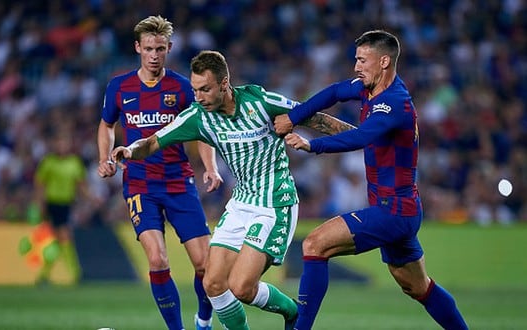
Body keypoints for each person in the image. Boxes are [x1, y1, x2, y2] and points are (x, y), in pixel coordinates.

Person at [111, 50, 355, 330]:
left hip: (275, 203)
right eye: (195, 90)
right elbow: (154, 142)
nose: (199, 97)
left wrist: (365, 136)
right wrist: (129, 150)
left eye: (205, 89)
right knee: (213, 284)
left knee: (241, 287)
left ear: (224, 84)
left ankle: (293, 313)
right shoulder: (198, 116)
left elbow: (316, 119)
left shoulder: (262, 102)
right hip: (241, 203)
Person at [274, 30, 469, 329]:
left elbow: (362, 136)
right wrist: (296, 114)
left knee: (315, 244)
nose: (356, 66)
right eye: (356, 59)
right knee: (418, 287)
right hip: (400, 209)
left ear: (384, 61)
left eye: (363, 60)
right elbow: (334, 92)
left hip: (393, 212)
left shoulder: (395, 102)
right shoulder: (369, 89)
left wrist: (312, 145)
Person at [96, 16, 223, 330]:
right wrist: (104, 157)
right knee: (157, 260)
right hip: (140, 185)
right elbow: (106, 125)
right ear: (138, 47)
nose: (154, 55)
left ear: (169, 49)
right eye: (149, 48)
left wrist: (210, 167)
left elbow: (201, 131)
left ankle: (203, 321)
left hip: (179, 183)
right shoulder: (119, 87)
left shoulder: (182, 87)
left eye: (161, 49)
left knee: (206, 266)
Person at [34, 131, 92, 284]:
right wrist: (40, 205)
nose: (61, 146)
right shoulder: (48, 162)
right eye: (59, 143)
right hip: (52, 204)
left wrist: (91, 198)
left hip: (66, 204)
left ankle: (44, 275)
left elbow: (80, 185)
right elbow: (40, 186)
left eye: (64, 143)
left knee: (57, 240)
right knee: (64, 237)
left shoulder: (74, 163)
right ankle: (76, 274)